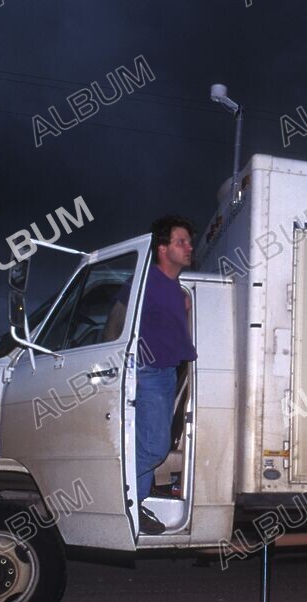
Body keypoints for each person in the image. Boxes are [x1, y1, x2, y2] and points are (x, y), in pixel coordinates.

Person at [105, 215, 197, 534]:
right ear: (161, 248)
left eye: (189, 241)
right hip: (147, 372)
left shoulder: (175, 289)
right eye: (180, 242)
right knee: (155, 449)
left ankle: (135, 505)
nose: (189, 247)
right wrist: (119, 367)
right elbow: (115, 322)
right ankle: (114, 494)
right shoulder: (144, 283)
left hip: (166, 373)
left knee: (148, 443)